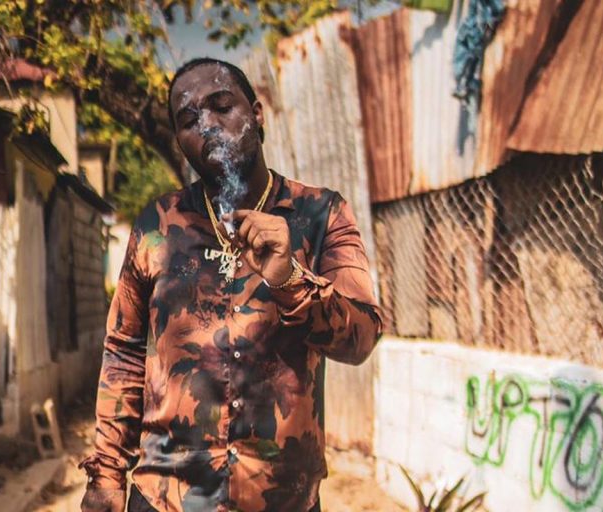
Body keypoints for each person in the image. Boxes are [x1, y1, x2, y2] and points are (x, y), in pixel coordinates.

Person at [79, 57, 382, 512]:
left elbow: (362, 338)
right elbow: (123, 351)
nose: (207, 125)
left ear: (257, 115)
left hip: (281, 500)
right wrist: (106, 473)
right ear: (180, 142)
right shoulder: (157, 224)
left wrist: (290, 279)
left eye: (222, 106)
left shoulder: (321, 215)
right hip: (166, 497)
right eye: (189, 120)